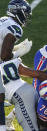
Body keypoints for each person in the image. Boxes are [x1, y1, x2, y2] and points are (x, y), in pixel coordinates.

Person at [0, 0, 32, 130]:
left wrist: (16, 47)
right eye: (26, 13)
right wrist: (18, 53)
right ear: (19, 12)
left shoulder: (3, 19)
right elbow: (4, 56)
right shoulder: (16, 28)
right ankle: (2, 126)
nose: (26, 16)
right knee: (0, 95)